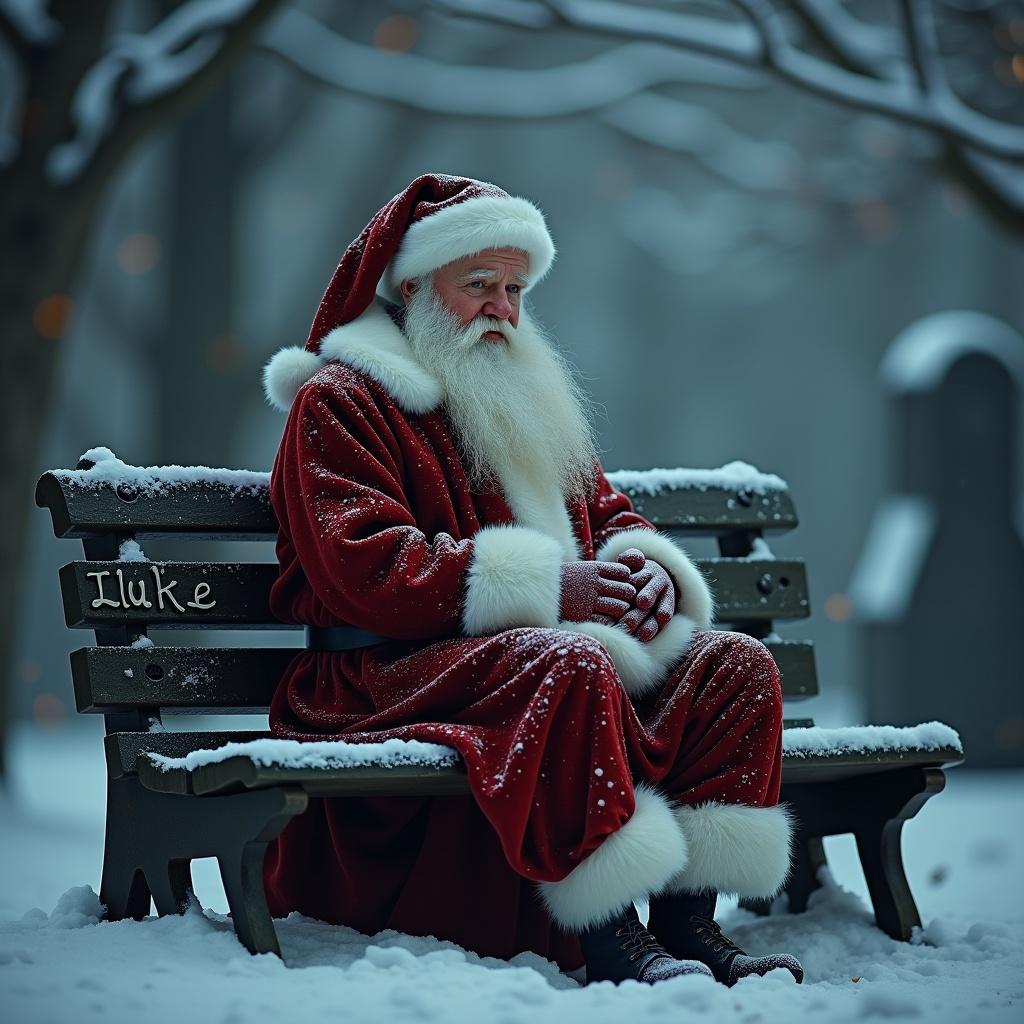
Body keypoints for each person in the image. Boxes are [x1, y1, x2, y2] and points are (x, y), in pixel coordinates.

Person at [261, 174, 803, 986]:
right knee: (571, 662)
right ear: (410, 286)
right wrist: (553, 591)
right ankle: (608, 933)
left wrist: (641, 573)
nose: (503, 309)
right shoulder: (341, 404)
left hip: (520, 668)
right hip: (383, 676)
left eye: (514, 289)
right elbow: (368, 569)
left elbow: (608, 514)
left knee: (736, 668)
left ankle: (687, 924)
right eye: (478, 285)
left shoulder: (520, 393)